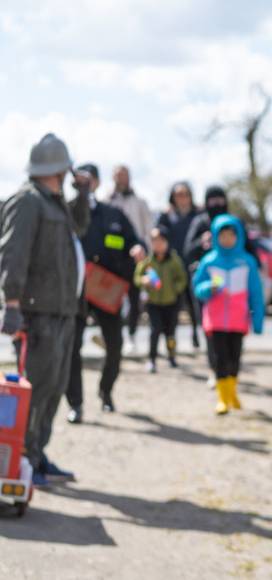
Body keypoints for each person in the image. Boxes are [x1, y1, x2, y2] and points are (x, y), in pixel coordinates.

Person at [0, 133, 90, 486]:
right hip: (37, 316)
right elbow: (12, 254)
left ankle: (35, 456)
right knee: (34, 391)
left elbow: (79, 227)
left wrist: (82, 195)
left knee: (54, 387)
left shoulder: (56, 203)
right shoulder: (27, 201)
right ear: (60, 168)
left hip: (63, 311)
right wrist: (11, 304)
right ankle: (21, 460)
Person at [65, 163, 146, 420]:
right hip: (76, 291)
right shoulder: (65, 212)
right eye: (80, 179)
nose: (85, 183)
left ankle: (106, 391)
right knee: (72, 347)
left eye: (90, 178)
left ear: (98, 182)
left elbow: (134, 240)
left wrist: (137, 248)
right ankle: (75, 404)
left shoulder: (113, 214)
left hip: (107, 291)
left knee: (115, 345)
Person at [192, 214, 264, 414]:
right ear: (216, 236)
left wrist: (258, 320)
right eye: (222, 235)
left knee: (235, 359)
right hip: (215, 320)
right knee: (220, 358)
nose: (227, 239)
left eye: (231, 235)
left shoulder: (247, 262)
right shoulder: (209, 261)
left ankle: (232, 392)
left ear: (238, 236)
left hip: (238, 320)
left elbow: (256, 293)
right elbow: (197, 288)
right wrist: (208, 287)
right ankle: (222, 399)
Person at [106, 164, 152, 353]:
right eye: (118, 174)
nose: (122, 178)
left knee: (134, 298)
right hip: (112, 259)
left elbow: (148, 230)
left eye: (125, 174)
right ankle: (112, 336)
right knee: (111, 298)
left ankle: (131, 335)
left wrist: (144, 251)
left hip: (134, 258)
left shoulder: (139, 202)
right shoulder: (106, 201)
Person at [135, 225, 188, 373]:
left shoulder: (175, 260)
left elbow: (182, 279)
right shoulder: (147, 260)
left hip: (171, 303)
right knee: (155, 330)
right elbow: (137, 277)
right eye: (155, 241)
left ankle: (171, 355)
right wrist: (143, 280)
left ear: (167, 242)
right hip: (153, 303)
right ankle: (152, 359)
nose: (158, 245)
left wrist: (174, 288)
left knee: (170, 332)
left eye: (161, 241)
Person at [156, 181, 202, 349]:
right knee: (172, 308)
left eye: (186, 194)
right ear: (173, 197)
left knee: (193, 305)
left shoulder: (198, 215)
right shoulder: (167, 216)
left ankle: (196, 334)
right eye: (179, 194)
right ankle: (171, 342)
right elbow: (158, 234)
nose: (183, 198)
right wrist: (163, 215)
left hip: (193, 266)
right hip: (173, 267)